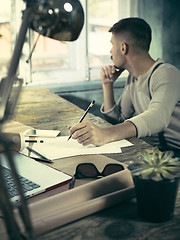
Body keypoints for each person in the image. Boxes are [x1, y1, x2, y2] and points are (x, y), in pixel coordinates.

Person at [69, 17, 180, 156]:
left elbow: (158, 117)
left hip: (175, 155)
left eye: (112, 45)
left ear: (123, 47)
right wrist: (107, 85)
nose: (110, 51)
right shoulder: (134, 78)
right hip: (155, 153)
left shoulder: (167, 74)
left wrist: (105, 134)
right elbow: (118, 119)